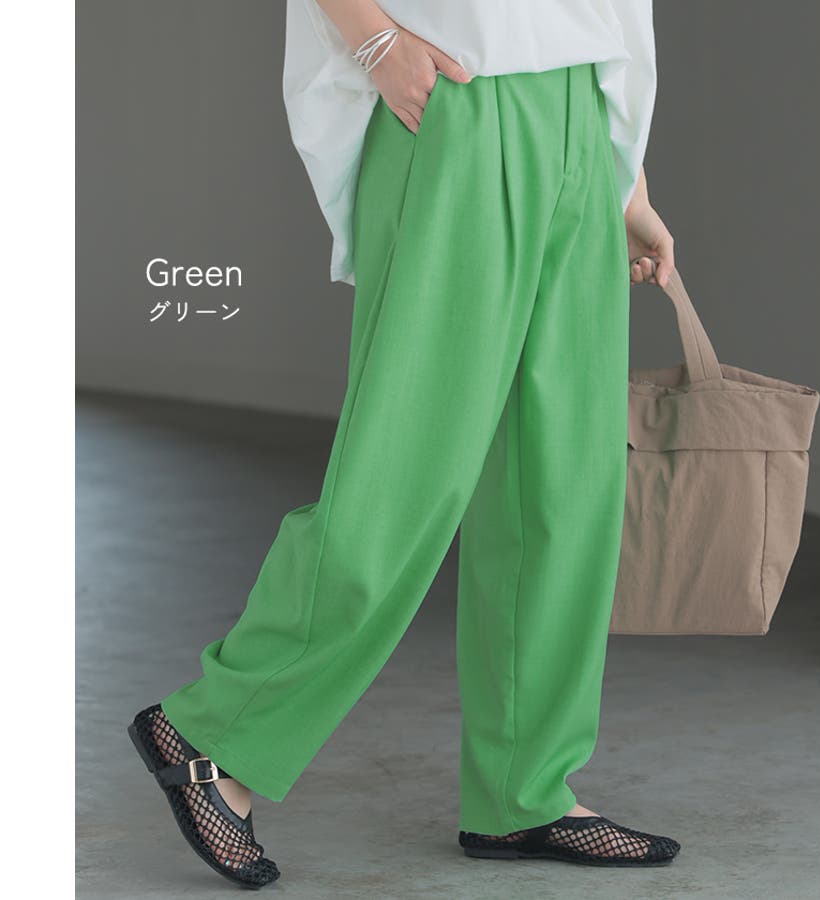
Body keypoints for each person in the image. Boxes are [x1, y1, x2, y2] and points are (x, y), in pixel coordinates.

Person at [127, 0, 681, 888]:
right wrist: (373, 39)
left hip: (583, 108)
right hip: (457, 100)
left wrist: (625, 173)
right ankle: (214, 731)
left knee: (564, 485)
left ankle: (525, 790)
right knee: (403, 476)